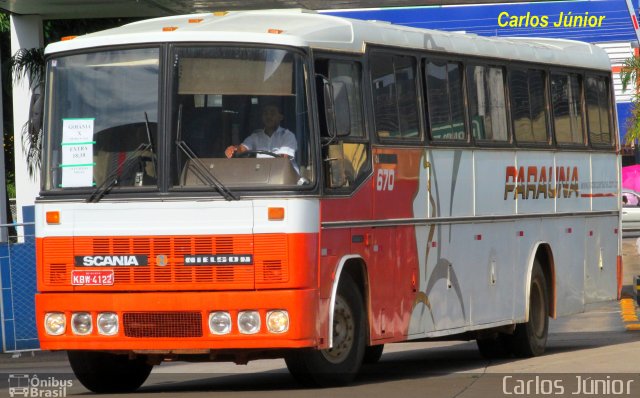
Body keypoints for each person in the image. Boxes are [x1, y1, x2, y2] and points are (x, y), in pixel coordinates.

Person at [225, 104, 297, 159]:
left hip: (283, 176)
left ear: (280, 117)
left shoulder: (287, 135)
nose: (268, 116)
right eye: (265, 113)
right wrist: (234, 149)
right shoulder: (255, 137)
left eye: (272, 113)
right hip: (262, 176)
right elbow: (242, 149)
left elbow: (283, 160)